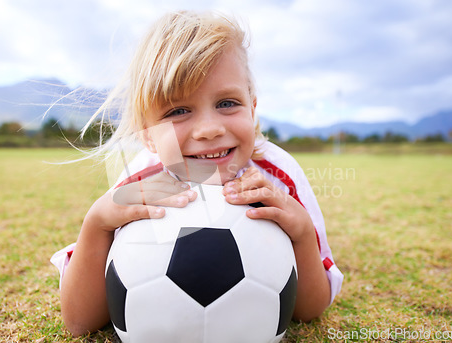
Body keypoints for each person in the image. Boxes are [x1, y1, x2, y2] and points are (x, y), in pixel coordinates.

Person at [51, 10, 343, 337]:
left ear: (253, 107)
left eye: (228, 103)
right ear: (147, 134)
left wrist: (302, 234)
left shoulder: (279, 177)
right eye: (178, 111)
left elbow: (310, 311)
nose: (208, 129)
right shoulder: (141, 183)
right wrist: (96, 225)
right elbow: (79, 323)